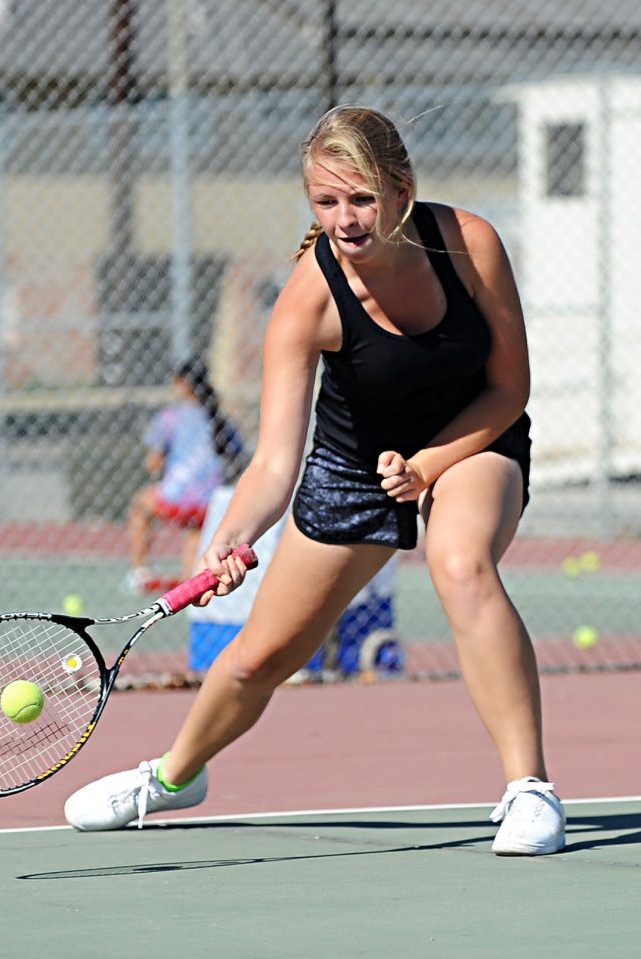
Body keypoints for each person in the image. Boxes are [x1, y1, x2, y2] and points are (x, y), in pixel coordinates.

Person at [66, 105, 565, 856]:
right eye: (326, 202)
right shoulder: (308, 297)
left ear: (402, 191)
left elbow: (510, 387)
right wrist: (230, 537)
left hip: (471, 439)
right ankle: (171, 778)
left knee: (459, 561)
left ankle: (530, 788)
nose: (346, 219)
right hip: (351, 464)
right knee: (262, 657)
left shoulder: (469, 245)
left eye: (361, 198)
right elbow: (273, 461)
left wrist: (428, 465)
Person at [123, 358, 245, 591]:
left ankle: (139, 571)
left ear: (181, 384)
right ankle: (189, 583)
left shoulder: (169, 418)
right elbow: (238, 460)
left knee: (140, 506)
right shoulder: (220, 419)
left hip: (174, 499)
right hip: (209, 503)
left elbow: (153, 464)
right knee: (195, 532)